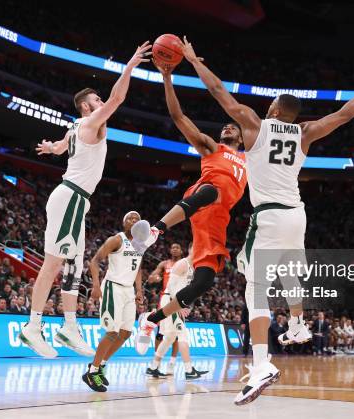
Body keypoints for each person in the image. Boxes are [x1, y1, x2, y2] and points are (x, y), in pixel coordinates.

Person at [171, 37, 354, 404]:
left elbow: (217, 90)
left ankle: (262, 363)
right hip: (298, 214)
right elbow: (344, 115)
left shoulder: (255, 125)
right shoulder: (306, 133)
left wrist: (192, 60)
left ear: (276, 111)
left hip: (270, 215)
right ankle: (297, 324)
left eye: (272, 103)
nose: (268, 105)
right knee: (290, 272)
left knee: (254, 287)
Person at [18, 42, 151, 358]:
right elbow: (118, 97)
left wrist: (51, 148)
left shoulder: (76, 126)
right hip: (70, 198)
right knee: (53, 263)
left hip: (75, 201)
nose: (102, 101)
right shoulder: (91, 123)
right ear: (88, 108)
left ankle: (69, 326)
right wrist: (130, 64)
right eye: (97, 100)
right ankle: (32, 327)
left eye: (100, 98)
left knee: (74, 266)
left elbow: (62, 147)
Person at [133, 60, 247, 356]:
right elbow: (177, 115)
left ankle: (150, 320)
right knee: (211, 190)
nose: (227, 127)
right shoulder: (212, 147)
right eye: (225, 126)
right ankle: (156, 231)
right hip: (202, 198)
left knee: (203, 283)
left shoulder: (249, 161)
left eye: (232, 127)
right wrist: (168, 79)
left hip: (217, 222)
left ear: (242, 138)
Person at [82, 211, 146, 392]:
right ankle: (91, 372)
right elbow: (94, 262)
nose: (134, 220)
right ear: (124, 223)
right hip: (113, 288)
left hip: (129, 291)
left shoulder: (140, 245)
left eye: (137, 219)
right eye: (130, 218)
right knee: (112, 332)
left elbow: (139, 268)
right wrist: (95, 286)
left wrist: (139, 289)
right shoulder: (116, 240)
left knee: (125, 334)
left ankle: (100, 366)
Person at [146, 243, 208, 380]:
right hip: (171, 301)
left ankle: (153, 367)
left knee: (169, 338)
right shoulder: (182, 264)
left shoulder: (194, 267)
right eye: (196, 248)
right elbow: (171, 286)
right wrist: (179, 305)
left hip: (177, 301)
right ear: (190, 249)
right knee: (182, 334)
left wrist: (186, 304)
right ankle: (189, 370)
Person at [148, 242, 183, 373]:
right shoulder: (164, 264)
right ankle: (156, 363)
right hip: (165, 298)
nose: (174, 249)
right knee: (160, 333)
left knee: (176, 333)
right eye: (173, 247)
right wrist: (155, 277)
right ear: (170, 250)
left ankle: (172, 363)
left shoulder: (184, 264)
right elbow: (152, 277)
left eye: (177, 247)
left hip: (179, 299)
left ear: (181, 251)